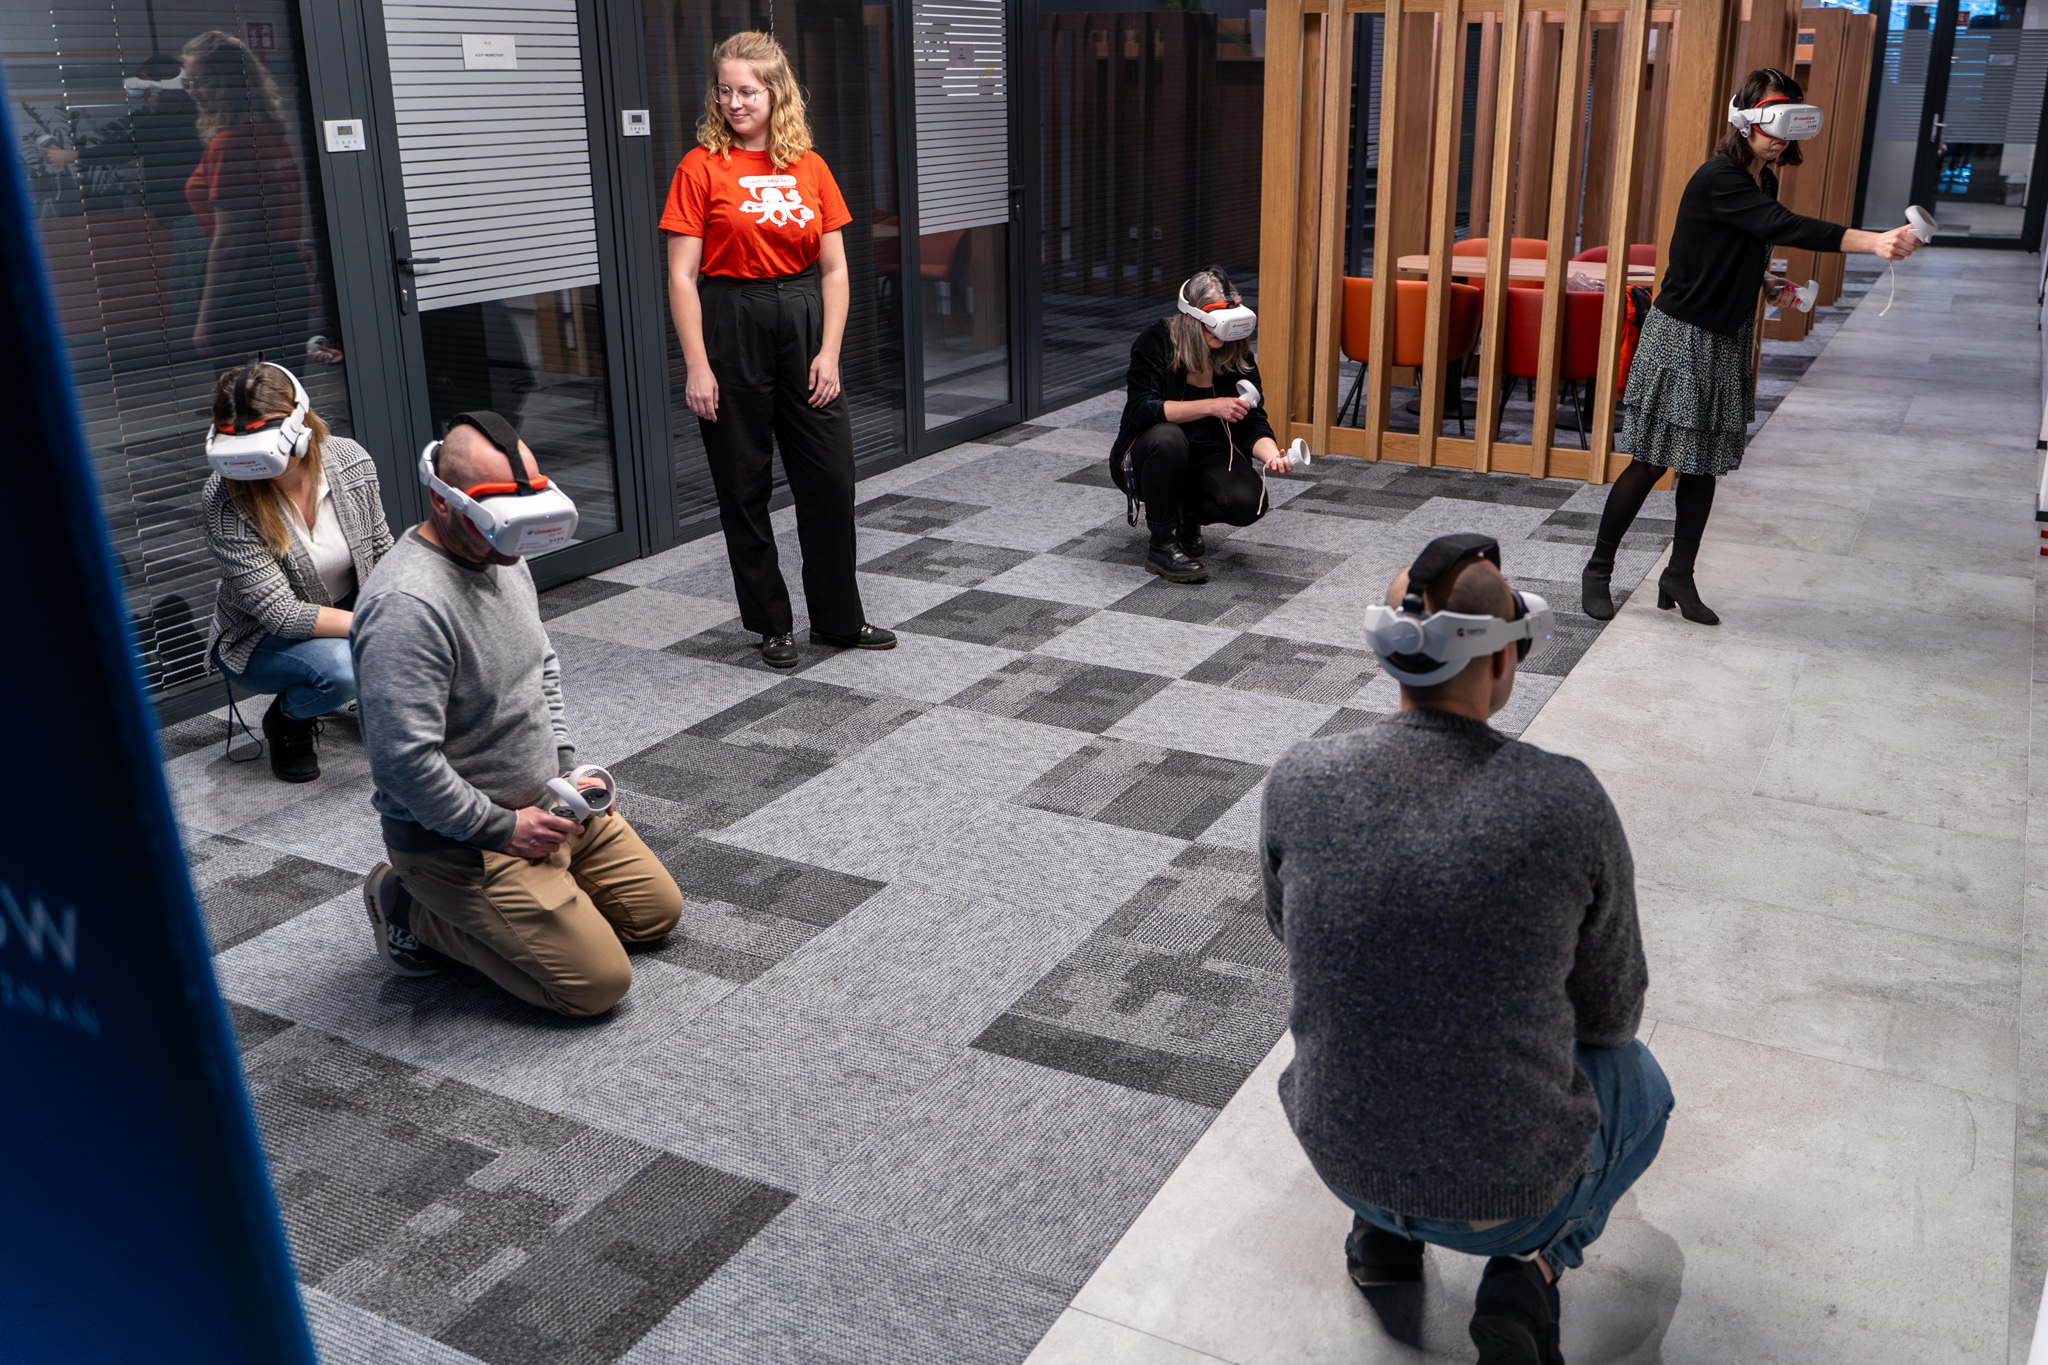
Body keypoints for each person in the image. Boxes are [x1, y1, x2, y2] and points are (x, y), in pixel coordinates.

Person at [1262, 534, 1669, 1365]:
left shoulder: (1298, 778)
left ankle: (1380, 1235)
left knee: (1385, 1013)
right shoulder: (1566, 801)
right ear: (1504, 660)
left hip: (1339, 1156)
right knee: (1641, 1086)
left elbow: (1285, 930)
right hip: (1506, 1200)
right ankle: (1530, 1271)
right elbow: (1612, 1015)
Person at [353, 412, 682, 1016]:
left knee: (655, 916)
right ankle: (410, 905)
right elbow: (404, 764)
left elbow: (540, 667)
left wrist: (565, 772)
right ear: (443, 500)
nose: (518, 536)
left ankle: (537, 902)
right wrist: (503, 828)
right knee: (596, 987)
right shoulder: (406, 607)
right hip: (462, 843)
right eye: (501, 516)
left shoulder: (502, 549)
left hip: (551, 806)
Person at [1581, 67, 1921, 626]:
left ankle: (1679, 575)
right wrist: (1872, 241)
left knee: (1703, 467)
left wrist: (1764, 281)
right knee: (1650, 462)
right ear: (1745, 119)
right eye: (1773, 121)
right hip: (1683, 336)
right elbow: (1782, 226)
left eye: (1791, 123)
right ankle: (1598, 570)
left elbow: (1729, 247)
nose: (1781, 136)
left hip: (1726, 337)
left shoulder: (1762, 180)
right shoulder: (1720, 177)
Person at [660, 30, 893, 669]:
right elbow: (681, 276)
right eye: (725, 91)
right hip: (731, 319)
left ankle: (838, 620)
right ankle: (771, 624)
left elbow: (836, 270)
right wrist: (697, 365)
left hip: (804, 317)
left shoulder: (809, 166)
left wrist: (830, 352)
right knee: (743, 485)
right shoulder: (700, 167)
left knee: (831, 479)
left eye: (747, 92)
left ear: (775, 93)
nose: (734, 103)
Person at [203, 360, 390, 783]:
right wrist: (377, 629)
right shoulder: (224, 498)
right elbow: (281, 614)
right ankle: (288, 719)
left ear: (301, 425)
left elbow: (381, 551)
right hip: (260, 636)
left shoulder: (350, 459)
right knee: (344, 670)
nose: (252, 461)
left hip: (345, 609)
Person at [1110, 267, 1294, 584]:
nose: (1222, 336)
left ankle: (1187, 514)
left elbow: (1252, 418)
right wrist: (1211, 406)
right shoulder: (1156, 341)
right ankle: (1161, 544)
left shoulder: (1235, 350)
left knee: (1249, 504)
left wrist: (1271, 456)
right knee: (1168, 438)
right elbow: (1140, 410)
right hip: (1151, 457)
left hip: (1208, 453)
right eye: (1214, 326)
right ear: (1189, 319)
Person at [181, 29, 309, 362]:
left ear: (232, 83)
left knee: (240, 389)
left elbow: (229, 241)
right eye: (188, 82)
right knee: (282, 386)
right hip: (286, 273)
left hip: (246, 281)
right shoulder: (269, 133)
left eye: (203, 82)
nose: (193, 92)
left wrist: (205, 320)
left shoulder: (230, 145)